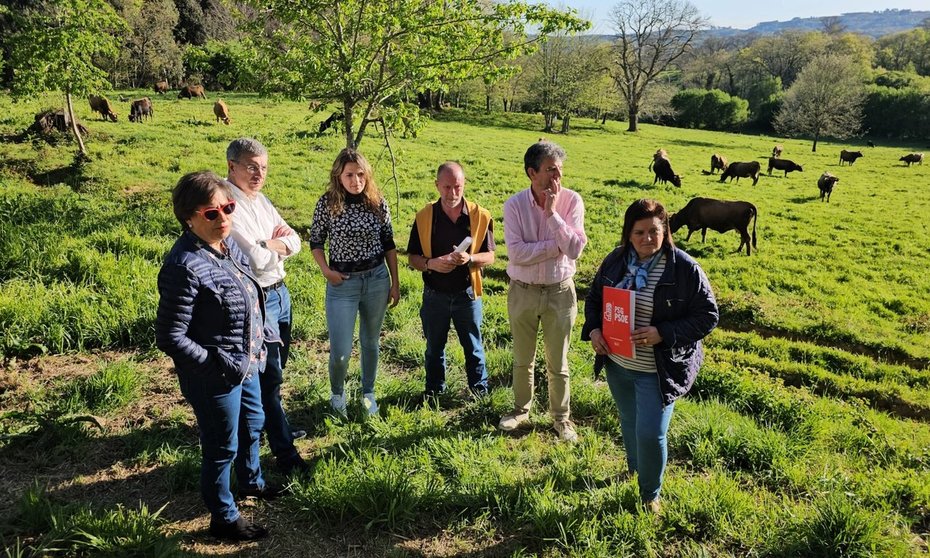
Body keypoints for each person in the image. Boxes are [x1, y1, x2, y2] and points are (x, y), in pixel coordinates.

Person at [155, 171, 281, 541]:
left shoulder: (225, 247)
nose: (224, 218)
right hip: (216, 376)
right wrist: (215, 365)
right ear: (189, 217)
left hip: (247, 363)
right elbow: (170, 335)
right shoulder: (183, 265)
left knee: (252, 425)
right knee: (221, 446)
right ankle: (223, 518)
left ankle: (252, 482)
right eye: (213, 213)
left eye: (228, 208)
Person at [581, 199, 718, 513]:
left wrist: (663, 333)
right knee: (629, 422)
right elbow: (595, 300)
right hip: (618, 364)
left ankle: (649, 494)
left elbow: (708, 316)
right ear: (628, 234)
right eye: (639, 232)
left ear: (665, 230)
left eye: (654, 231)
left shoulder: (684, 268)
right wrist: (594, 331)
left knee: (650, 432)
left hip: (658, 370)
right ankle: (633, 469)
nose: (647, 238)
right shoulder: (615, 261)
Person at [224, 138, 308, 476]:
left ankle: (275, 430)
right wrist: (276, 244)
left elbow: (296, 240)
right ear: (232, 166)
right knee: (267, 376)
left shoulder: (260, 200)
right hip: (258, 297)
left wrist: (271, 243)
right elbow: (256, 260)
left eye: (263, 167)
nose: (259, 173)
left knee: (276, 372)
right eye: (251, 166)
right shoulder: (228, 203)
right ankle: (286, 455)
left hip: (280, 294)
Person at [498, 140, 587, 442]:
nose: (557, 177)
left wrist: (552, 215)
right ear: (531, 172)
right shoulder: (514, 205)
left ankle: (561, 418)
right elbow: (517, 253)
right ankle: (520, 410)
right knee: (523, 358)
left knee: (558, 361)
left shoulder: (572, 201)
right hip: (522, 291)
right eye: (550, 170)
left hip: (560, 292)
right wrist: (555, 247)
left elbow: (574, 250)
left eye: (560, 170)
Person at [309, 148, 400, 416]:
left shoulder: (377, 202)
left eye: (361, 174)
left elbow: (389, 243)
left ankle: (368, 393)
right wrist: (326, 270)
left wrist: (395, 282)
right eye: (350, 175)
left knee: (371, 341)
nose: (356, 181)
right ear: (339, 175)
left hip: (376, 279)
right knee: (340, 350)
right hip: (342, 284)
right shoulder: (327, 203)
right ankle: (337, 394)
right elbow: (316, 241)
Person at [407, 161, 495, 398]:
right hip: (434, 294)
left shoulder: (480, 216)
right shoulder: (425, 216)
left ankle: (479, 392)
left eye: (457, 187)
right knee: (434, 348)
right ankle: (435, 391)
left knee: (474, 347)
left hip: (467, 294)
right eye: (446, 187)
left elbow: (491, 256)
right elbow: (412, 257)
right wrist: (431, 264)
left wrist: (470, 258)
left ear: (464, 184)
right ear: (437, 185)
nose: (452, 193)